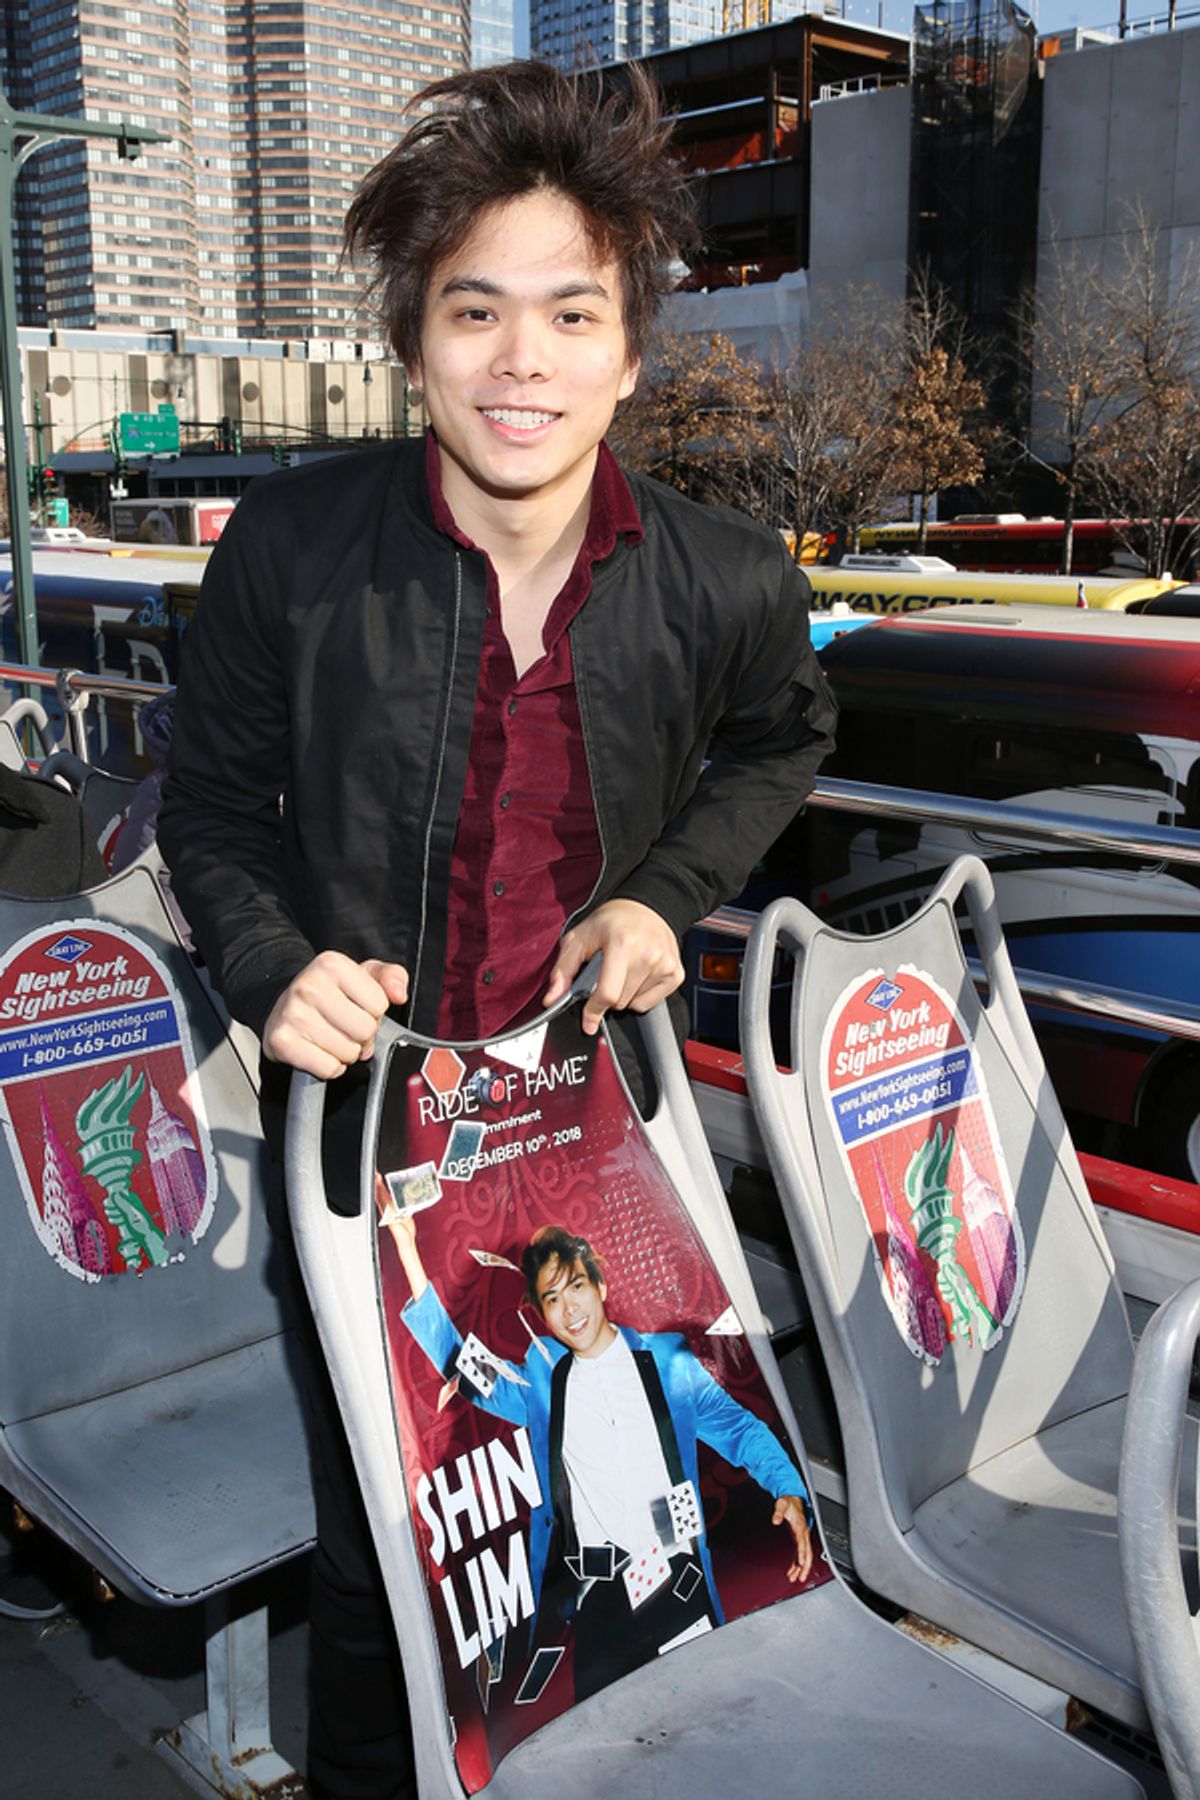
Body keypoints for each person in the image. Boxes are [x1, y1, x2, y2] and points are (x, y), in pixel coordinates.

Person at [159, 58, 835, 1800]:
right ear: (413, 339)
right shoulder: (293, 554)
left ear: (627, 346)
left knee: (619, 1541)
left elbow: (786, 738)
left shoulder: (731, 577)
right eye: (476, 310)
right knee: (386, 1551)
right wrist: (265, 963)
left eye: (569, 312)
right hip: (362, 1148)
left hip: (593, 1133)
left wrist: (662, 898)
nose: (521, 361)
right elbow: (210, 813)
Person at [387, 1213, 813, 1701]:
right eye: (553, 1299)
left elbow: (739, 1429)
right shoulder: (542, 1382)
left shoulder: (668, 1363)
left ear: (602, 1286)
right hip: (599, 1607)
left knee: (704, 1714)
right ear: (541, 1314)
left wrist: (788, 1488)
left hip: (678, 1584)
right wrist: (407, 1251)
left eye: (577, 1288)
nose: (570, 1310)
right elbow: (459, 1362)